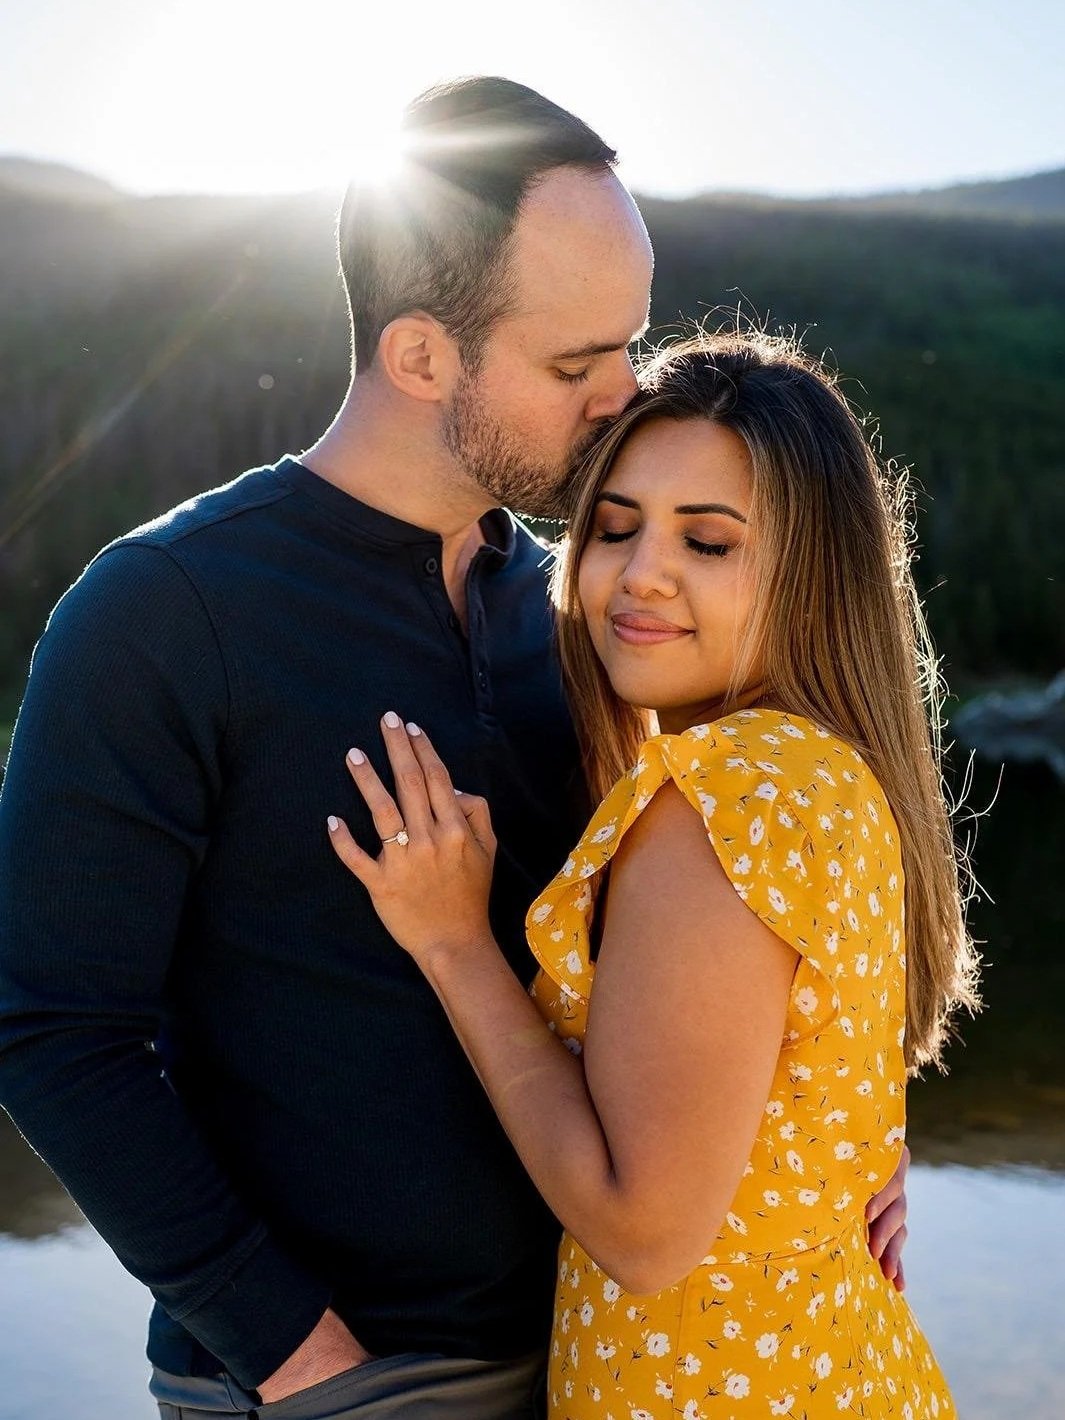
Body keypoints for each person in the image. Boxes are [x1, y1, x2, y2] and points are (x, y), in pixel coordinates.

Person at [0, 77, 907, 1420]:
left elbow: (743, 927)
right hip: (342, 1381)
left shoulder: (582, 620)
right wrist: (307, 1363)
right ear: (423, 357)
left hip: (608, 1352)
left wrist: (845, 1153)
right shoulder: (164, 612)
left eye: (630, 346)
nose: (624, 401)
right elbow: (53, 1028)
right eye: (572, 364)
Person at [326, 331, 978, 1418]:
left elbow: (643, 1231)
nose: (641, 574)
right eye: (615, 527)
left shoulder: (721, 796)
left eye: (709, 543)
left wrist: (453, 943)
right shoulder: (825, 770)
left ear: (812, 575)